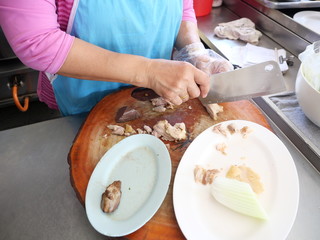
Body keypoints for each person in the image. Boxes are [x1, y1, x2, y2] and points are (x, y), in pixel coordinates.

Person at [0, 0, 233, 116]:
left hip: (161, 99)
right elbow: (37, 42)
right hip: (82, 106)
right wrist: (149, 72)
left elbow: (181, 7)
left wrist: (193, 51)